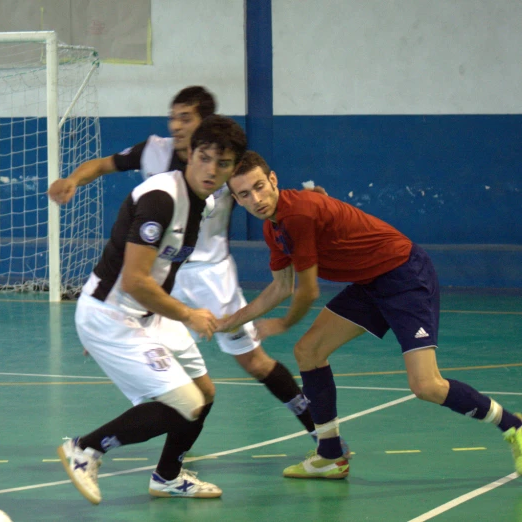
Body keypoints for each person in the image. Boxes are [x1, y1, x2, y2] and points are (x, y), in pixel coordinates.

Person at [49, 86, 336, 449]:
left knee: (254, 362)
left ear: (206, 125)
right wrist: (73, 179)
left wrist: (310, 202)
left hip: (208, 277)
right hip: (159, 274)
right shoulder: (155, 155)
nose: (176, 125)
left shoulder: (227, 168)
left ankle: (317, 429)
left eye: (186, 118)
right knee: (185, 391)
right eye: (173, 116)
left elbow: (265, 194)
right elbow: (104, 164)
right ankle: (169, 464)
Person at [221, 151, 522, 479]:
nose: (257, 198)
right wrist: (228, 322)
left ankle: (515, 426)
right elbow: (280, 287)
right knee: (308, 352)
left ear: (273, 179)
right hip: (370, 283)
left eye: (260, 186)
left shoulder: (298, 215)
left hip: (404, 275)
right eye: (245, 194)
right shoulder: (273, 229)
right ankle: (330, 455)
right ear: (236, 199)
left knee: (426, 385)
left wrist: (282, 323)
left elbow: (307, 291)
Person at [56, 115, 247, 504]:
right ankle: (86, 449)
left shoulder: (203, 203)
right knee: (184, 404)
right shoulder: (162, 199)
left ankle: (167, 476)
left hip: (147, 315)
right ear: (190, 154)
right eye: (205, 158)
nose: (212, 170)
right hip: (111, 314)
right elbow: (133, 280)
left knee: (204, 394)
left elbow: (165, 269)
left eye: (223, 164)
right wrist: (188, 314)